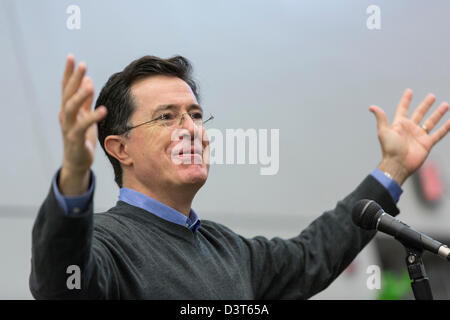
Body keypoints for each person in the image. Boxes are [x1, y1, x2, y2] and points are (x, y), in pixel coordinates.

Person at [29, 54, 450, 299]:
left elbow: (311, 255)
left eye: (195, 115)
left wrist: (394, 168)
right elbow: (60, 278)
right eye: (166, 117)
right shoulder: (104, 244)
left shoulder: (228, 250)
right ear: (120, 149)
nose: (191, 129)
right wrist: (74, 174)